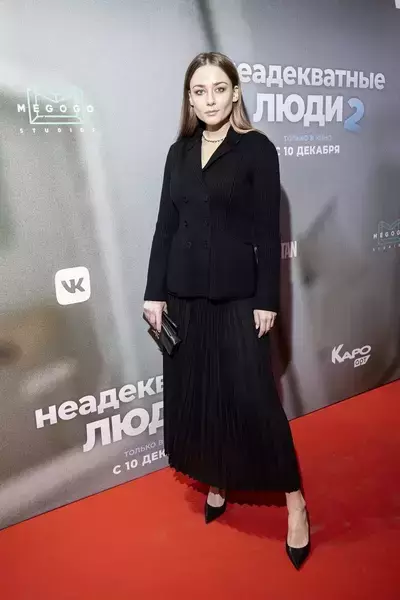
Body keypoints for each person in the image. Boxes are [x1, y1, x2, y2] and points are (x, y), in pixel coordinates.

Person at [143, 51, 310, 570]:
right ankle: (218, 478)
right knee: (201, 396)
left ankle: (295, 502)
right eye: (200, 91)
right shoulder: (178, 153)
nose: (210, 99)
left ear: (235, 93)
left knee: (255, 399)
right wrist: (153, 293)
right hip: (184, 296)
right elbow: (165, 227)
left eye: (219, 89)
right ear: (189, 99)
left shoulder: (257, 149)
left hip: (239, 296)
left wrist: (267, 300)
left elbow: (267, 232)